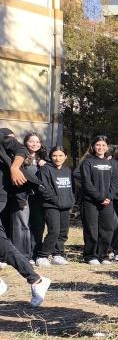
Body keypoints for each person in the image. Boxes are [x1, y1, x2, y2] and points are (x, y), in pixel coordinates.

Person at [0, 129, 52, 306]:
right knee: (2, 242)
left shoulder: (1, 135)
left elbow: (21, 149)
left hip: (1, 193)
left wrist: (15, 168)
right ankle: (36, 280)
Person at [76, 135, 118, 265]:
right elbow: (87, 183)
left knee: (107, 228)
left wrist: (109, 197)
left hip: (107, 202)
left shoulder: (113, 163)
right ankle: (90, 255)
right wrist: (100, 197)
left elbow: (114, 182)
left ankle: (103, 254)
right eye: (98, 145)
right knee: (91, 229)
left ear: (107, 147)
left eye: (103, 145)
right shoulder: (88, 162)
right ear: (93, 146)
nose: (100, 147)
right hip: (90, 201)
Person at [5, 133, 47, 261]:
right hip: (22, 196)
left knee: (38, 225)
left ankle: (35, 253)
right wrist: (20, 198)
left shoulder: (43, 159)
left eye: (37, 142)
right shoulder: (18, 157)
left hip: (38, 198)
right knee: (21, 225)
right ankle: (22, 256)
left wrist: (44, 165)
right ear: (25, 143)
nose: (35, 144)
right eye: (31, 141)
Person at [36, 146, 74, 266]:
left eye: (60, 155)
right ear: (50, 157)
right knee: (54, 231)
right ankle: (42, 256)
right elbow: (43, 189)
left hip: (65, 206)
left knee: (63, 232)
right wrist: (56, 200)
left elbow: (72, 188)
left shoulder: (68, 170)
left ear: (65, 157)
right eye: (54, 156)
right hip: (51, 205)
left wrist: (71, 200)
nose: (57, 158)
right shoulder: (45, 170)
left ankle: (58, 255)